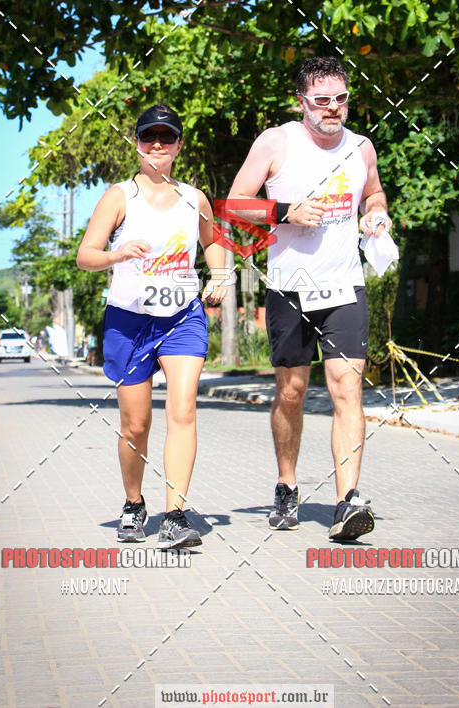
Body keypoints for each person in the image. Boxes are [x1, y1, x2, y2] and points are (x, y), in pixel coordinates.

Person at [228, 56, 392, 541]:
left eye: (341, 98)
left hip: (344, 285)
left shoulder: (361, 147)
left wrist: (376, 215)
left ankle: (348, 501)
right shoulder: (277, 142)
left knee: (347, 388)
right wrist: (285, 212)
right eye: (322, 100)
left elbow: (375, 194)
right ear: (302, 101)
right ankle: (286, 485)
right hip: (289, 285)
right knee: (292, 392)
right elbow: (234, 204)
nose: (333, 108)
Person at [77, 105, 227, 549]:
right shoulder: (119, 196)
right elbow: (86, 255)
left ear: (180, 145)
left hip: (182, 316)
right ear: (137, 143)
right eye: (149, 138)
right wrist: (115, 255)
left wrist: (218, 276)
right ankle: (134, 503)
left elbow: (213, 241)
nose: (157, 145)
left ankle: (176, 516)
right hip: (129, 320)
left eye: (167, 137)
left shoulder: (193, 198)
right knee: (136, 425)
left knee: (182, 411)